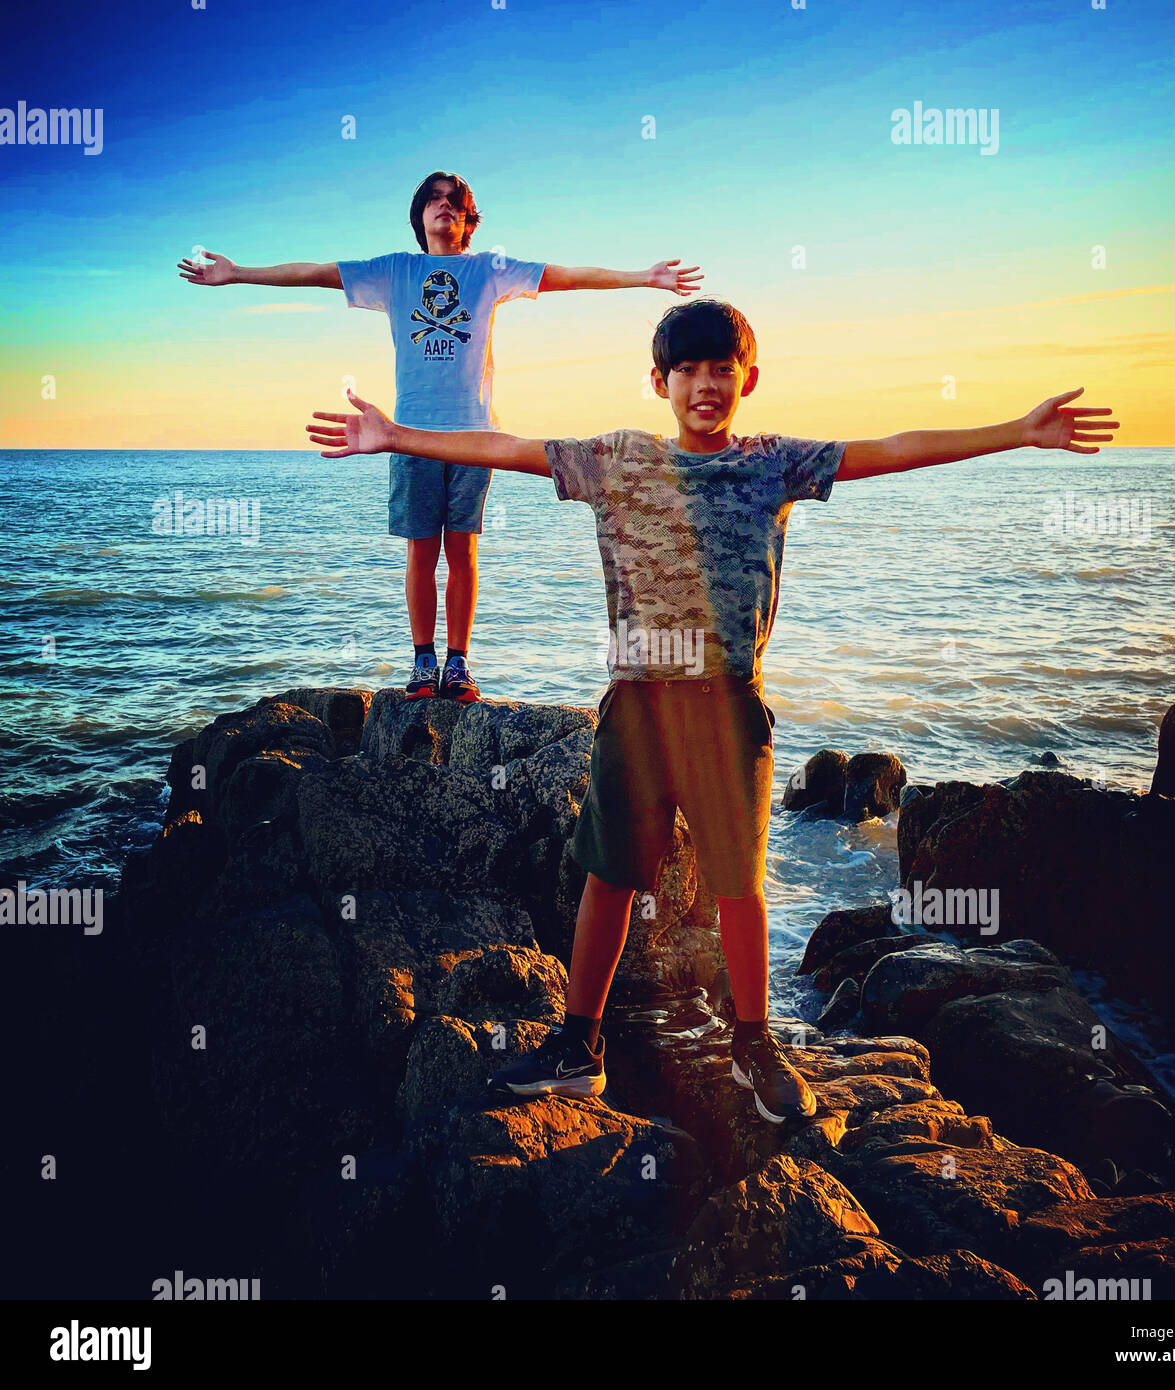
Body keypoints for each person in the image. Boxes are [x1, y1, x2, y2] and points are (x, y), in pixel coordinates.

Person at [305, 297, 1119, 1123]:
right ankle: (578, 1048)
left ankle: (753, 1048)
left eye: (721, 369)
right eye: (687, 369)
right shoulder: (615, 459)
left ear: (748, 379)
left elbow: (894, 447)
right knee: (610, 877)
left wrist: (1016, 430)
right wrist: (397, 437)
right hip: (637, 707)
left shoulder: (775, 464)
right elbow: (507, 446)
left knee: (739, 886)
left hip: (729, 709)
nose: (705, 384)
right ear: (659, 381)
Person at [179, 169, 702, 701]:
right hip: (406, 435)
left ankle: (458, 663)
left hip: (474, 434)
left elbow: (566, 275)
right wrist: (238, 273)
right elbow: (314, 272)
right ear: (420, 214)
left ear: (467, 218)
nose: (445, 207)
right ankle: (422, 661)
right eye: (434, 200)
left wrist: (642, 277)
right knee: (421, 552)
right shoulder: (395, 271)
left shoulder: (489, 271)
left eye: (455, 201)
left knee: (463, 551)